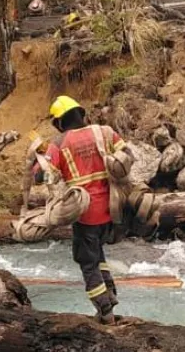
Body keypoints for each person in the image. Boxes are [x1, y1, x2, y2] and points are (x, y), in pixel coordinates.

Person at [39, 95, 130, 325]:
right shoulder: (105, 132)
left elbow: (43, 176)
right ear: (81, 113)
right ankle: (111, 295)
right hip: (112, 210)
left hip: (86, 214)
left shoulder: (59, 143)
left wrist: (37, 160)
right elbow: (128, 156)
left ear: (60, 121)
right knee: (97, 254)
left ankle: (105, 311)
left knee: (87, 263)